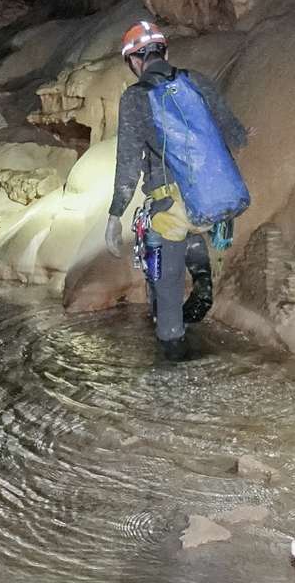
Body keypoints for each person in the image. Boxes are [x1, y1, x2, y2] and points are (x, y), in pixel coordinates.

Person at [104, 20, 250, 361]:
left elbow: (128, 162)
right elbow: (233, 133)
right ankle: (201, 273)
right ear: (164, 51)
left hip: (170, 206)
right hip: (211, 200)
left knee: (163, 281)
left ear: (134, 61)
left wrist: (115, 213)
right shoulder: (196, 80)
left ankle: (173, 358)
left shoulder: (136, 98)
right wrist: (242, 136)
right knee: (189, 228)